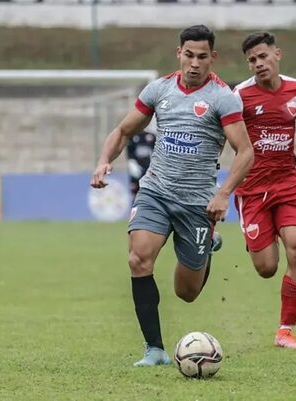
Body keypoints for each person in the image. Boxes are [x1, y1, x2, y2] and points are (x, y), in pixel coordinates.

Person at [90, 25, 254, 367]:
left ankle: (206, 243)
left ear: (213, 58)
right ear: (179, 53)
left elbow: (245, 152)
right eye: (189, 55)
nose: (194, 63)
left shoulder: (222, 97)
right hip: (156, 191)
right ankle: (154, 349)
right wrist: (105, 160)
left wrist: (223, 194)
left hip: (198, 202)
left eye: (202, 57)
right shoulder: (159, 89)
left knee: (187, 292)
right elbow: (123, 130)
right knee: (138, 259)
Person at [233, 32, 296, 349]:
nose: (258, 64)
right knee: (266, 268)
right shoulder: (240, 96)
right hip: (252, 189)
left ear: (277, 54)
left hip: (287, 183)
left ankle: (285, 331)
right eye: (252, 60)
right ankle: (261, 232)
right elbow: (226, 138)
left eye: (263, 56)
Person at [126, 130, 156, 199]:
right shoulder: (132, 137)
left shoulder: (151, 136)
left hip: (150, 170)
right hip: (137, 170)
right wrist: (133, 164)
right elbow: (130, 154)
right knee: (136, 192)